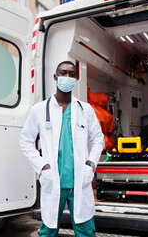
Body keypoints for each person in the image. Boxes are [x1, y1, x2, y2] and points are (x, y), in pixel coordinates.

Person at [20, 61, 104, 236]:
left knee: (86, 231)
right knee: (48, 231)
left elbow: (98, 139)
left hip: (80, 180)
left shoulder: (85, 109)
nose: (67, 77)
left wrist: (91, 164)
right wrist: (42, 166)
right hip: (54, 180)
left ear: (76, 78)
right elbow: (26, 141)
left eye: (71, 74)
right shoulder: (40, 110)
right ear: (55, 77)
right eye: (63, 73)